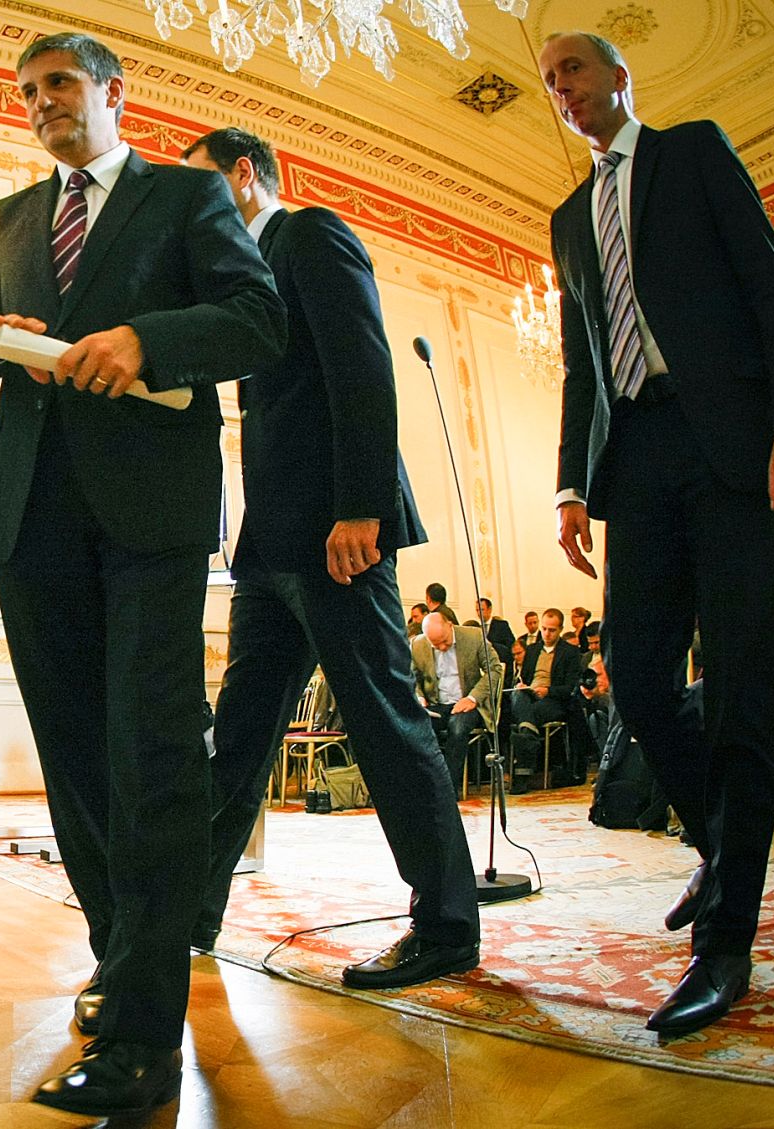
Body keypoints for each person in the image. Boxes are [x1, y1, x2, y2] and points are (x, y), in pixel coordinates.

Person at [0, 35, 285, 1117]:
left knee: (155, 757)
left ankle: (142, 1035)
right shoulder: (4, 221)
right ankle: (123, 956)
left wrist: (144, 337)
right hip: (29, 518)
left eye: (60, 87)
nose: (40, 103)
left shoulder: (183, 196)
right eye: (27, 91)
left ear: (111, 95)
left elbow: (256, 320)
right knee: (78, 764)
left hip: (150, 518)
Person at [539, 30, 774, 1035]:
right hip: (634, 460)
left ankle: (725, 945)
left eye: (571, 69)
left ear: (618, 77)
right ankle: (718, 839)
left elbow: (768, 286)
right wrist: (569, 487)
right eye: (547, 80)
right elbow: (579, 365)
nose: (558, 88)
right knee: (635, 670)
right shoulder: (566, 218)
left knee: (742, 678)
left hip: (727, 446)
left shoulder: (691, 151)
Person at [181, 126, 480, 1008]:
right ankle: (188, 912)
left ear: (244, 175)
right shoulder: (236, 275)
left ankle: (449, 924)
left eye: (203, 187)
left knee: (384, 717)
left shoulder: (309, 234)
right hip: (269, 547)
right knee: (238, 735)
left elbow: (361, 366)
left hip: (336, 532)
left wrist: (364, 508)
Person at [412, 612, 503, 793]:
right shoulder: (417, 644)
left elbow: (495, 670)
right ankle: (426, 785)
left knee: (458, 728)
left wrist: (473, 698)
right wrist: (419, 697)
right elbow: (411, 678)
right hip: (436, 703)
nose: (443, 648)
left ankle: (450, 789)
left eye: (445, 641)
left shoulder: (474, 636)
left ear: (450, 625)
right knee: (417, 727)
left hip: (468, 702)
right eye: (436, 645)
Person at [512, 609, 587, 790]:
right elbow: (525, 678)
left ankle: (521, 773)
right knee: (516, 694)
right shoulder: (532, 650)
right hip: (530, 695)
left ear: (560, 629)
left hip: (554, 700)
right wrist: (523, 686)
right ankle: (528, 735)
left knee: (528, 716)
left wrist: (548, 691)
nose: (546, 633)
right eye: (544, 629)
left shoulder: (569, 652)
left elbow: (570, 687)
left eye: (551, 630)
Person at [476, 596, 517, 682]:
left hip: (501, 665)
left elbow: (511, 645)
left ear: (489, 609)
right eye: (477, 610)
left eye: (482, 610)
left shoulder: (501, 625)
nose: (479, 613)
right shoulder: (477, 629)